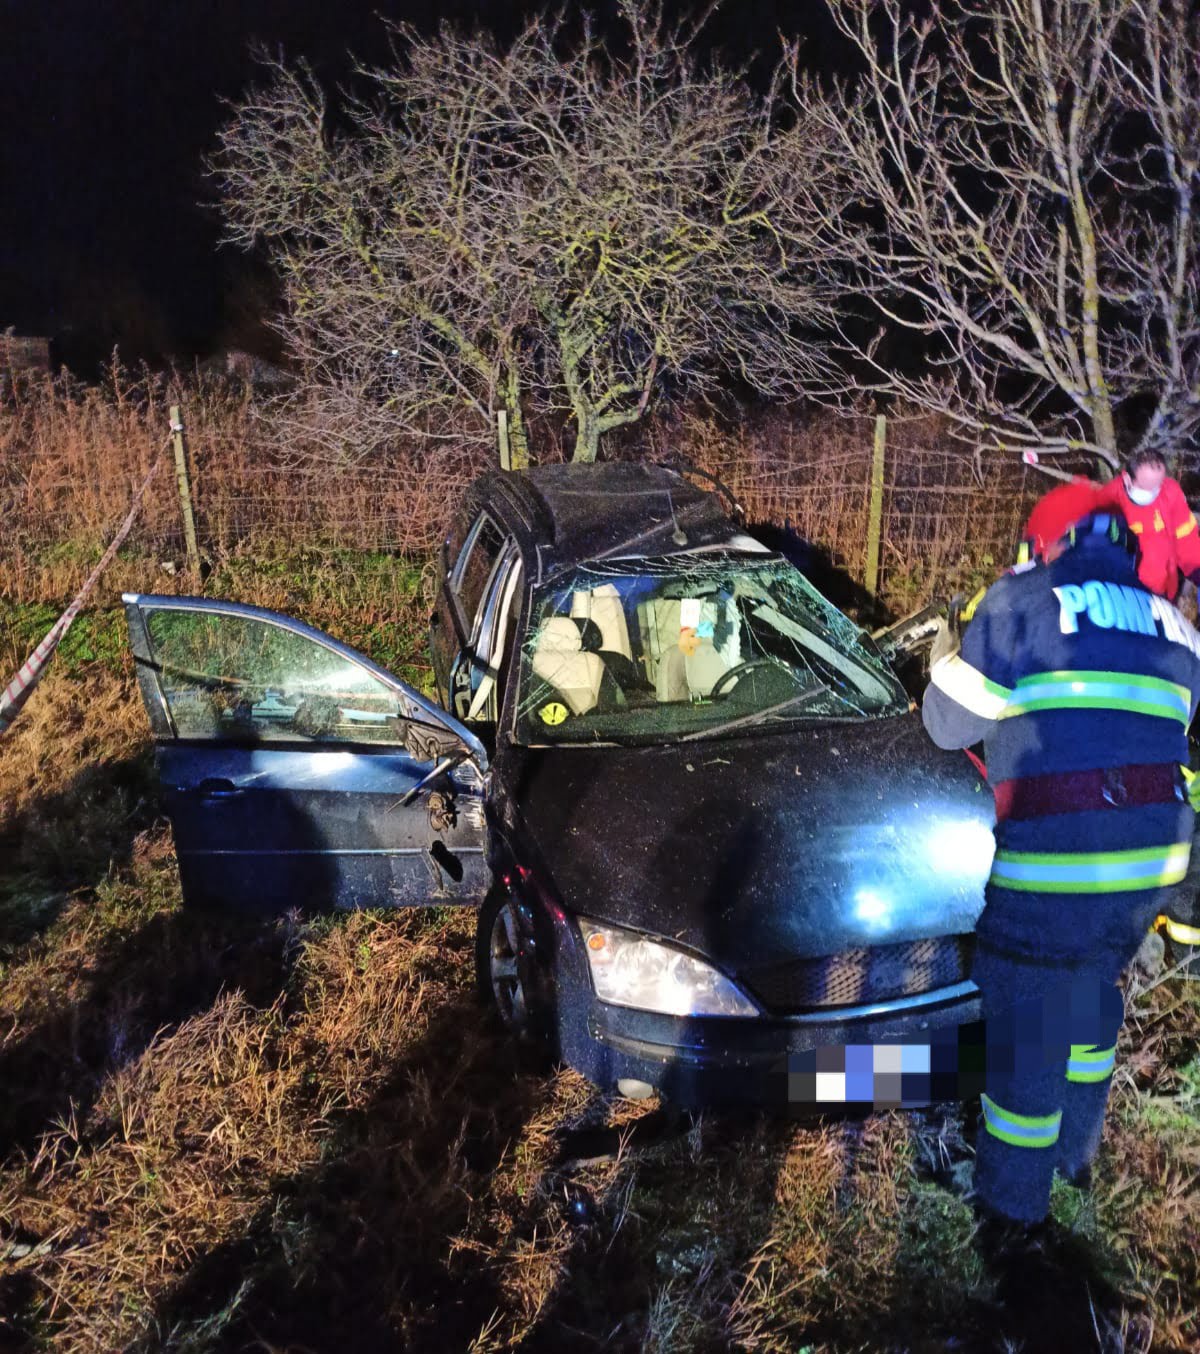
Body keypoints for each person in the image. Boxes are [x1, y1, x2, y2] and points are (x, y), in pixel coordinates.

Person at [923, 511, 1200, 1229]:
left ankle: (1011, 1216)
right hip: (1151, 864)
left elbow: (947, 723)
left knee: (1028, 1025)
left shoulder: (1020, 602)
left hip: (1060, 860)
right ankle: (1074, 1161)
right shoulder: (1176, 625)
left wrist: (953, 643)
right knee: (1088, 988)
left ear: (1047, 544)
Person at [1096, 449, 1200, 601]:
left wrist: (1197, 570)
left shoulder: (1170, 492)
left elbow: (1185, 538)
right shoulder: (1108, 502)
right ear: (1127, 478)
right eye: (1146, 486)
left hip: (1162, 591)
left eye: (1157, 485)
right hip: (1122, 591)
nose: (1153, 493)